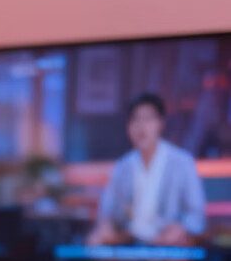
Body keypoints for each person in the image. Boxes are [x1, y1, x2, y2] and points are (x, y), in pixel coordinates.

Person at [88, 93, 206, 248]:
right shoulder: (122, 167)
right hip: (128, 244)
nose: (141, 126)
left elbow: (197, 216)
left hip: (167, 248)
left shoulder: (182, 163)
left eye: (148, 119)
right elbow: (107, 212)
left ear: (161, 123)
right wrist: (106, 227)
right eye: (135, 119)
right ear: (128, 126)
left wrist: (182, 228)